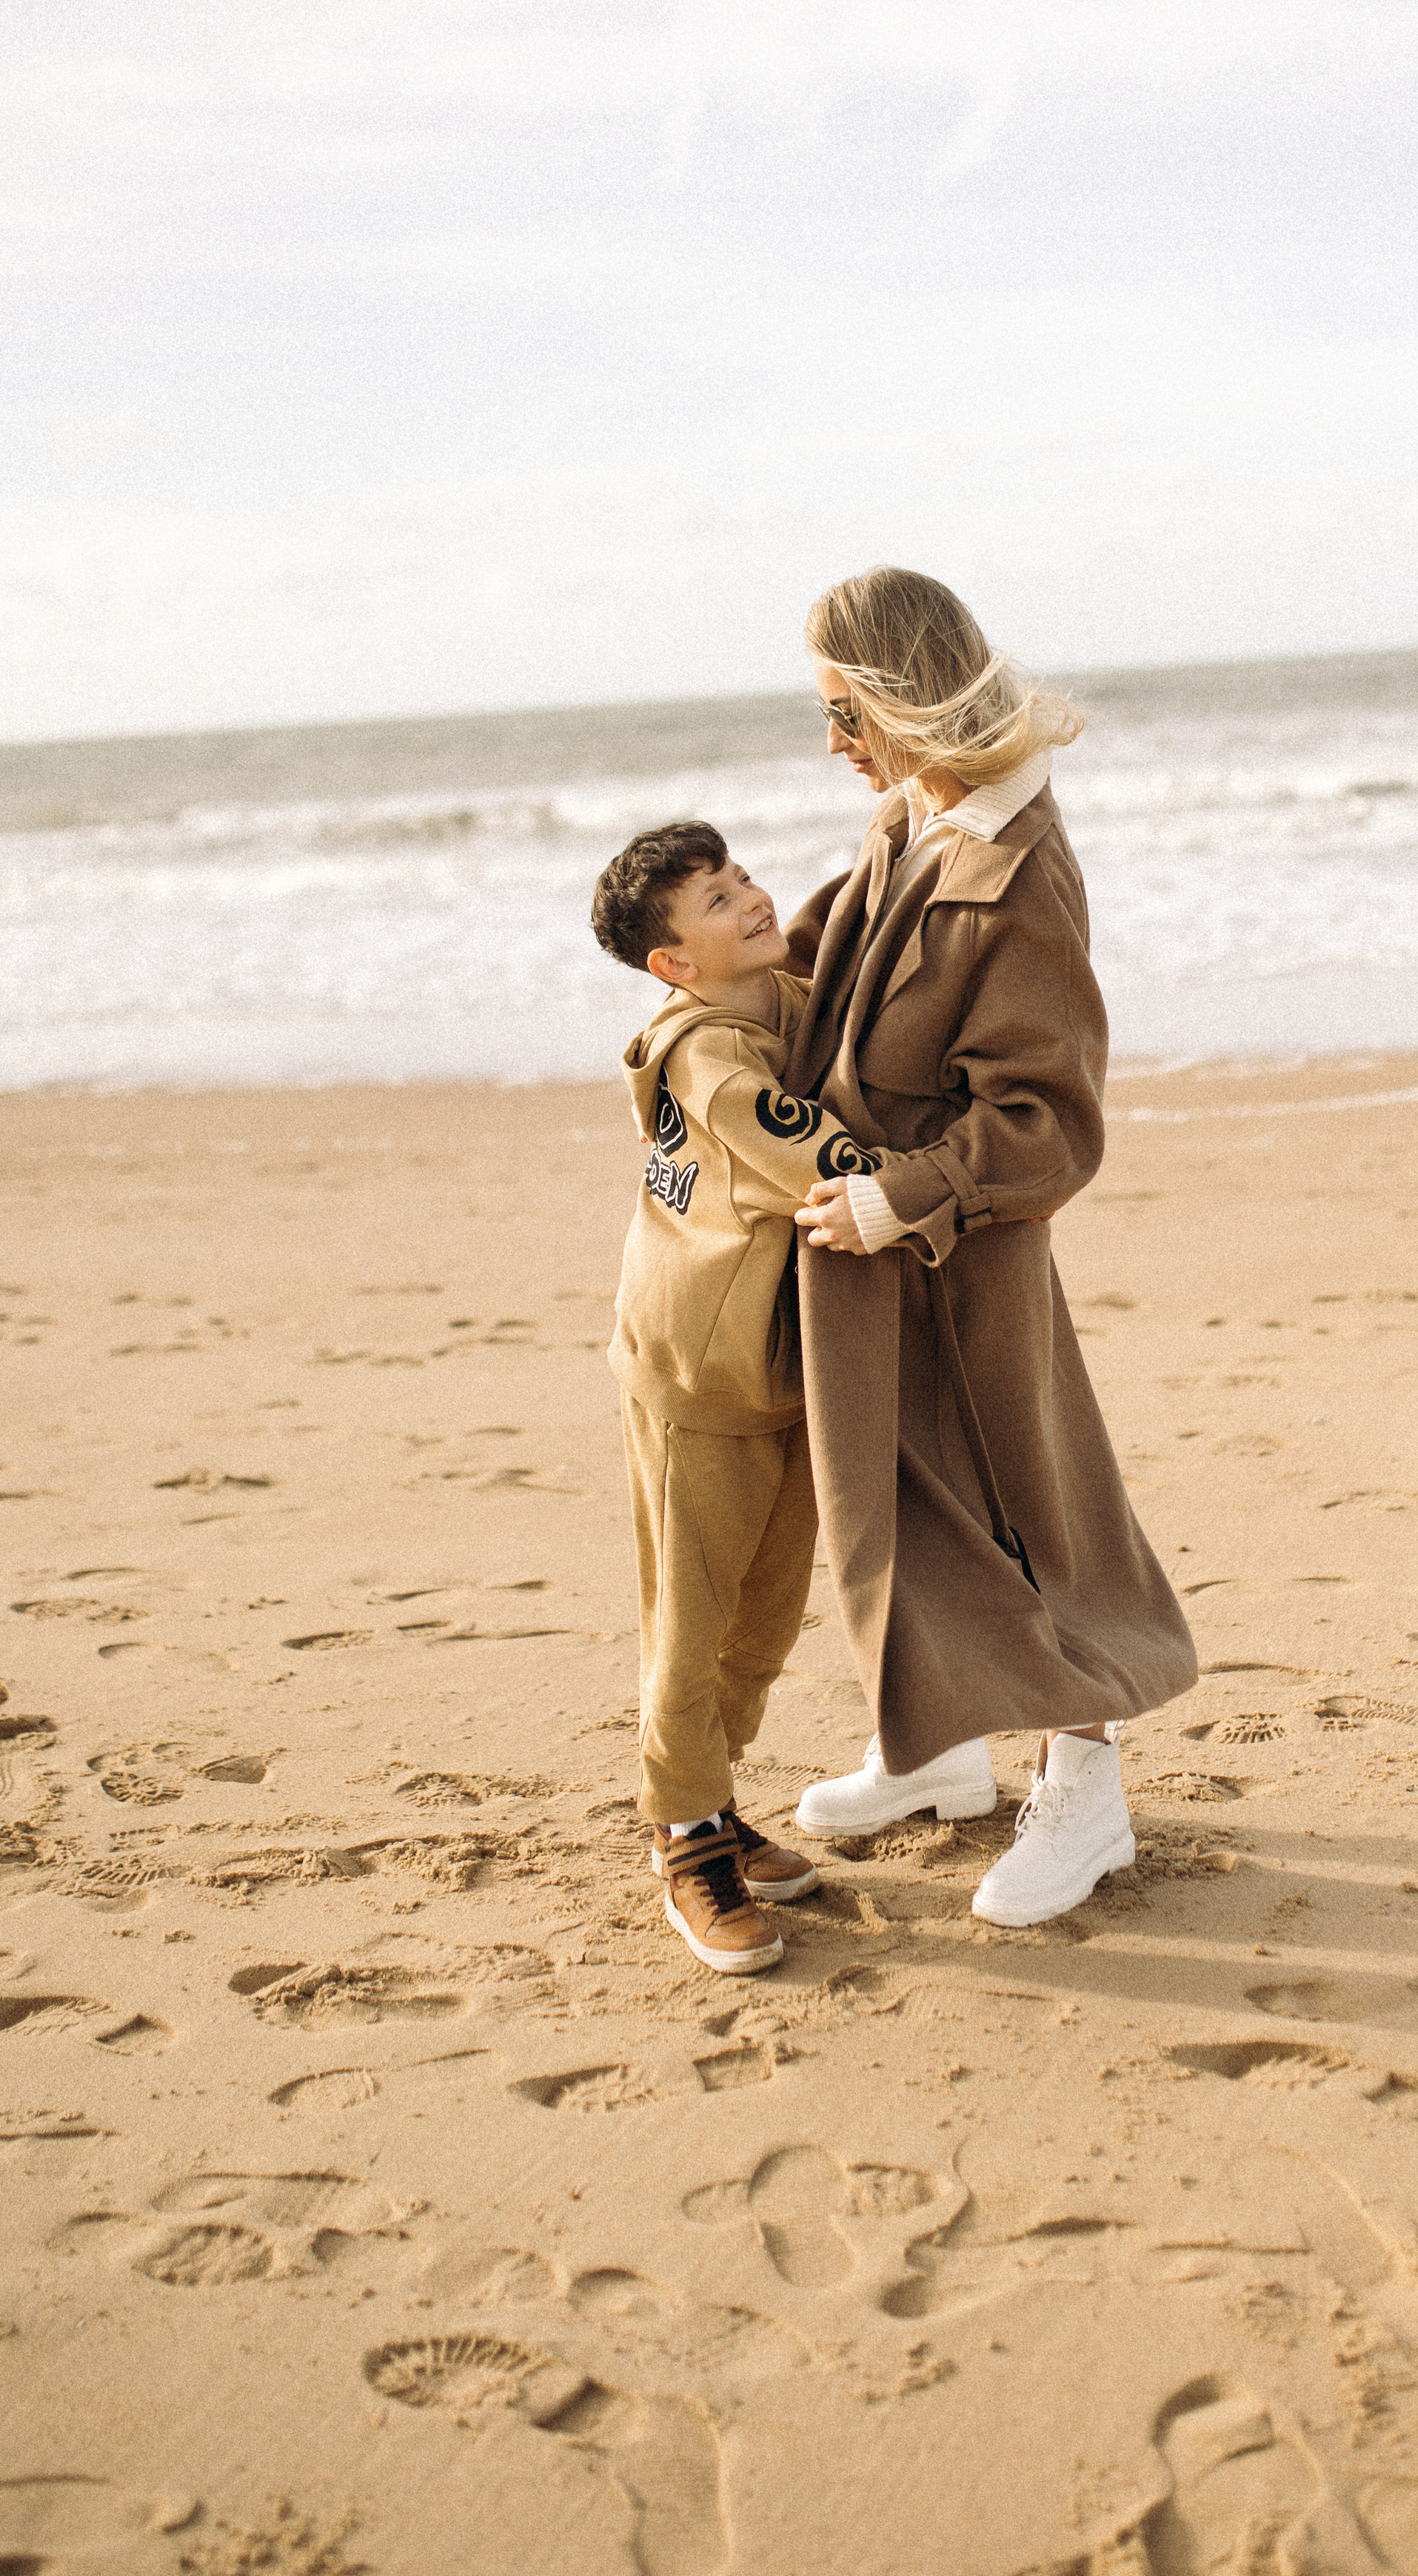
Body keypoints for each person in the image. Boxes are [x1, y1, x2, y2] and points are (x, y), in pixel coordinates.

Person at [784, 566, 1199, 1926]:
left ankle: (1088, 1793)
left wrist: (907, 1197)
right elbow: (818, 971)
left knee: (1028, 1513)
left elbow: (1052, 1123)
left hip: (959, 1262)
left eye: (844, 712)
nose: (833, 744)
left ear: (902, 700)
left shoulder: (1020, 871)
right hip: (861, 1257)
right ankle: (936, 1750)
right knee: (891, 1506)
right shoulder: (912, 817)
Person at [591, 820, 887, 1976]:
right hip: (695, 1378)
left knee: (762, 1620)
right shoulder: (711, 1059)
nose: (752, 899)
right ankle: (685, 1840)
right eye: (717, 901)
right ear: (673, 963)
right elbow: (832, 1164)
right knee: (693, 1622)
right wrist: (962, 1176)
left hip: (771, 1369)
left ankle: (713, 1802)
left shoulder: (779, 997)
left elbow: (846, 959)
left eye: (743, 876)